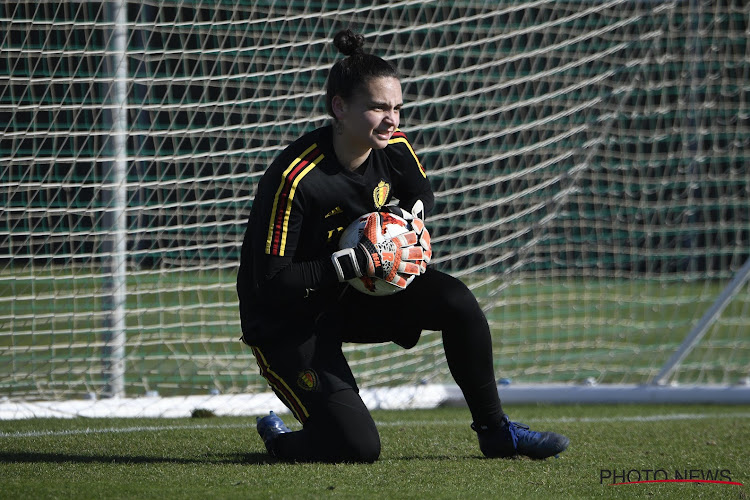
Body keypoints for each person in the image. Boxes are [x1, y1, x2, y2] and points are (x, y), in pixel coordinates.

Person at [236, 29, 569, 463]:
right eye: (377, 107)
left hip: (352, 296)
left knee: (457, 302)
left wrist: (405, 225)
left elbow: (420, 193)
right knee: (355, 448)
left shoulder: (392, 146)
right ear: (339, 107)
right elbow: (271, 284)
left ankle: (495, 432)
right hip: (287, 320)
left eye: (396, 108)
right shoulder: (296, 180)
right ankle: (278, 440)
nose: (391, 119)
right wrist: (351, 262)